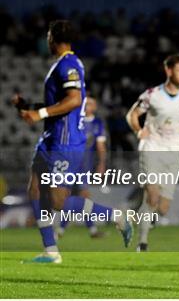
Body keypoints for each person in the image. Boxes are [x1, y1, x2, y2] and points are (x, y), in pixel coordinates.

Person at [12, 20, 132, 263]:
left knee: (57, 202)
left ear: (52, 37)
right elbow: (58, 104)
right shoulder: (59, 65)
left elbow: (74, 100)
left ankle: (116, 216)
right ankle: (51, 251)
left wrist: (40, 114)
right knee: (34, 189)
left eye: (47, 35)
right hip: (50, 138)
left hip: (64, 143)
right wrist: (30, 107)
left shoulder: (69, 63)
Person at [126, 53, 179, 252]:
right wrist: (139, 130)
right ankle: (143, 242)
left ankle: (134, 218)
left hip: (174, 153)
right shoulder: (152, 95)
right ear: (168, 70)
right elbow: (132, 114)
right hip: (152, 149)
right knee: (152, 197)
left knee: (163, 208)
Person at [56, 96, 107, 238]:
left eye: (90, 103)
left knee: (84, 197)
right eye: (86, 102)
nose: (87, 105)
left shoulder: (97, 123)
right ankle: (62, 230)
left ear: (95, 107)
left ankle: (86, 230)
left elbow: (100, 146)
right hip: (70, 164)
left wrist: (102, 164)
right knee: (67, 197)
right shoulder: (74, 120)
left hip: (85, 166)